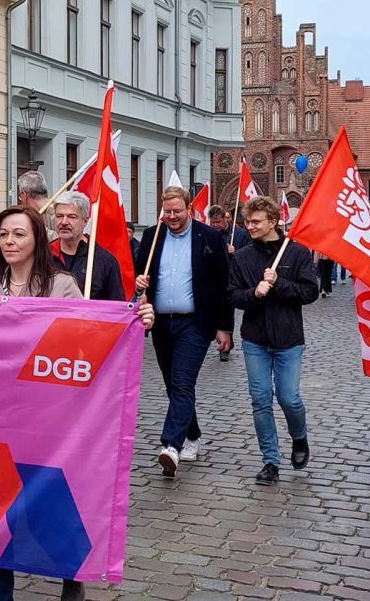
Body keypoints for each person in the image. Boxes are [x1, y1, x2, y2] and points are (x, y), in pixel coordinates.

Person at [0, 205, 153, 601]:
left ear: (37, 238)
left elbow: (93, 336)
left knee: (54, 507)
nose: (9, 242)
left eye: (18, 234)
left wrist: (134, 318)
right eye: (3, 235)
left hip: (48, 421)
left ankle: (73, 579)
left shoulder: (61, 286)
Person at [135, 186, 232, 478]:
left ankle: (171, 446)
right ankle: (192, 433)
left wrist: (225, 327)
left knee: (182, 381)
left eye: (178, 211)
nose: (173, 217)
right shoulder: (153, 236)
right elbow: (140, 274)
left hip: (196, 322)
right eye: (168, 212)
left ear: (189, 209)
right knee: (173, 385)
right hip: (162, 322)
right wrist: (139, 282)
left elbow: (222, 285)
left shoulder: (210, 238)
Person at [228, 196, 317, 485]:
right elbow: (232, 295)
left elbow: (309, 293)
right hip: (255, 339)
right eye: (247, 221)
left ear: (273, 222)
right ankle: (270, 461)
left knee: (288, 398)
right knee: (261, 400)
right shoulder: (242, 257)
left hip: (288, 338)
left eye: (256, 222)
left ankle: (299, 437)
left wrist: (279, 284)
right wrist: (254, 293)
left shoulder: (297, 254)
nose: (249, 226)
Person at [50, 191, 124, 300]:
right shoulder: (43, 255)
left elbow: (116, 306)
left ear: (85, 221)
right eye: (59, 216)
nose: (64, 222)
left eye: (72, 217)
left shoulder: (104, 260)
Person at [208, 205, 248, 362]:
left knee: (226, 313)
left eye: (218, 222)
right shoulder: (208, 234)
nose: (215, 225)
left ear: (225, 218)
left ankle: (226, 346)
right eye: (213, 222)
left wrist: (235, 251)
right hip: (211, 278)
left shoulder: (239, 234)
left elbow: (249, 253)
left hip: (230, 279)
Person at [16, 170, 56, 240]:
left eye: (20, 196)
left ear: (24, 195)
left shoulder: (58, 214)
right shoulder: (58, 209)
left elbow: (64, 242)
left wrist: (36, 228)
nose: (20, 199)